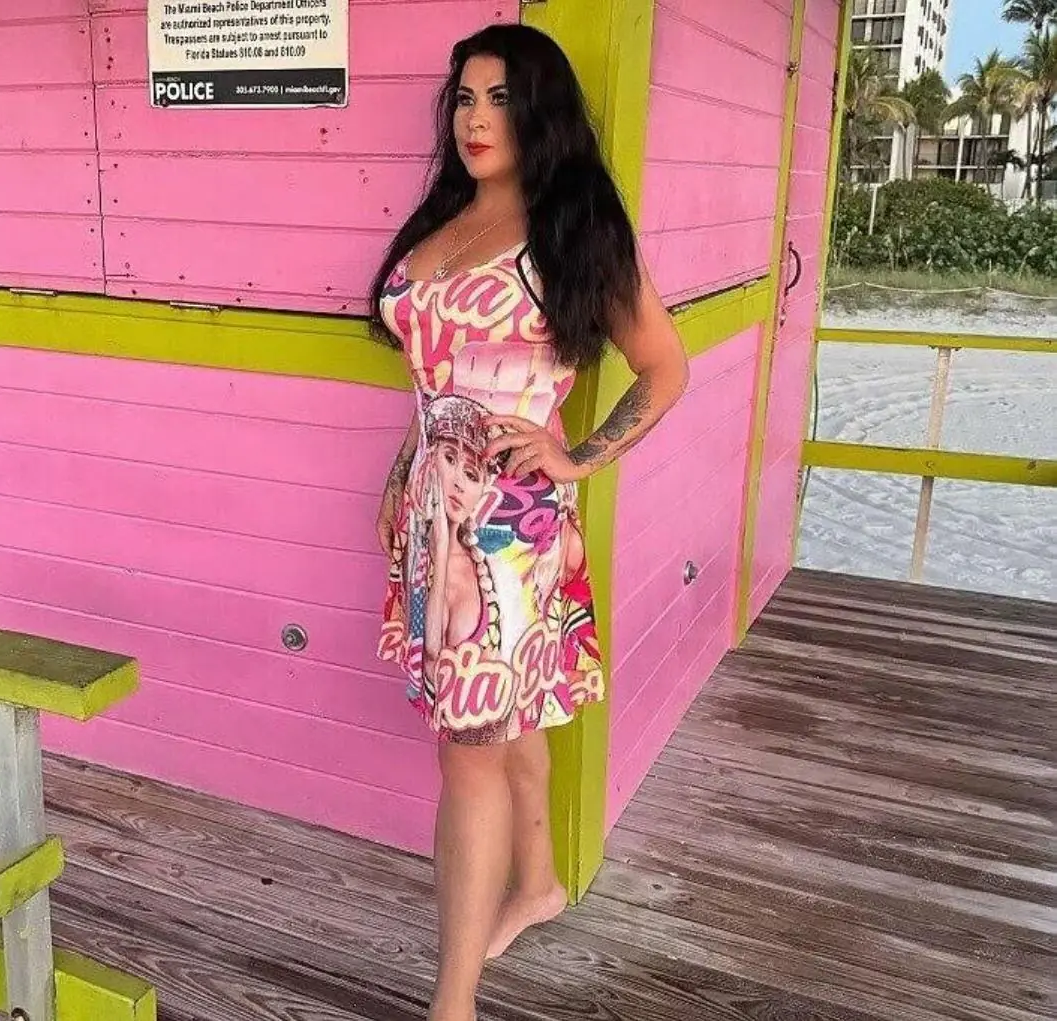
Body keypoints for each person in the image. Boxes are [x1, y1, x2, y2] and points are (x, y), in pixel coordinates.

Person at [369, 23, 689, 1021]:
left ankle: (452, 1003)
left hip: (506, 534)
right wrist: (401, 475)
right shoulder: (450, 213)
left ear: (539, 111)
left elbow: (664, 366)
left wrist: (578, 455)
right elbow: (433, 379)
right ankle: (539, 882)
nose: (475, 119)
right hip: (433, 517)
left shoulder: (571, 226)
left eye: (500, 99)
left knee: (467, 752)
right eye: (464, 98)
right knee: (502, 721)